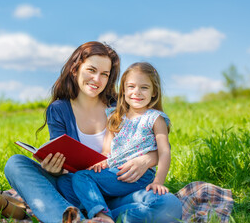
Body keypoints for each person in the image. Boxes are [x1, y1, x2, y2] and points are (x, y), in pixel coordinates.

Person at [4, 41, 182, 223]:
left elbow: (156, 143)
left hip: (118, 190)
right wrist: (54, 169)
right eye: (91, 70)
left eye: (104, 74)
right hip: (73, 190)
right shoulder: (59, 110)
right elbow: (63, 162)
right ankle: (82, 218)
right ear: (75, 69)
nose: (97, 79)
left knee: (169, 205)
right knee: (15, 163)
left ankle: (90, 217)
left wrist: (148, 159)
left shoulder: (120, 107)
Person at [71, 62, 173, 223]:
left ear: (154, 92)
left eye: (144, 87)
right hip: (115, 173)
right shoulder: (116, 117)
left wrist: (158, 181)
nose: (136, 92)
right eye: (131, 86)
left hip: (140, 176)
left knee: (81, 178)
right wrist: (101, 162)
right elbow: (106, 151)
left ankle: (102, 216)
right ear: (123, 90)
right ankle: (102, 212)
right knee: (79, 178)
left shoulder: (155, 118)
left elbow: (164, 151)